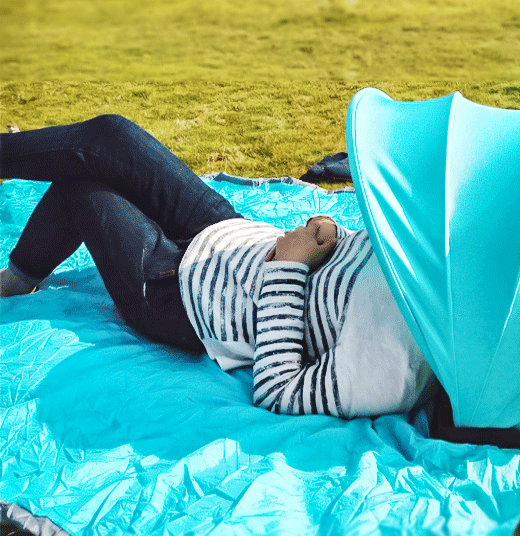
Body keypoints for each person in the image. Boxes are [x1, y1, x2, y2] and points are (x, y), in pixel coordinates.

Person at [0, 115, 438, 418]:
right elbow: (348, 266)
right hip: (234, 233)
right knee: (108, 136)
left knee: (82, 190)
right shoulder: (430, 254)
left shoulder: (399, 368)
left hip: (187, 295)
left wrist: (290, 263)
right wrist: (328, 233)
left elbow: (279, 390)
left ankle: (17, 279)